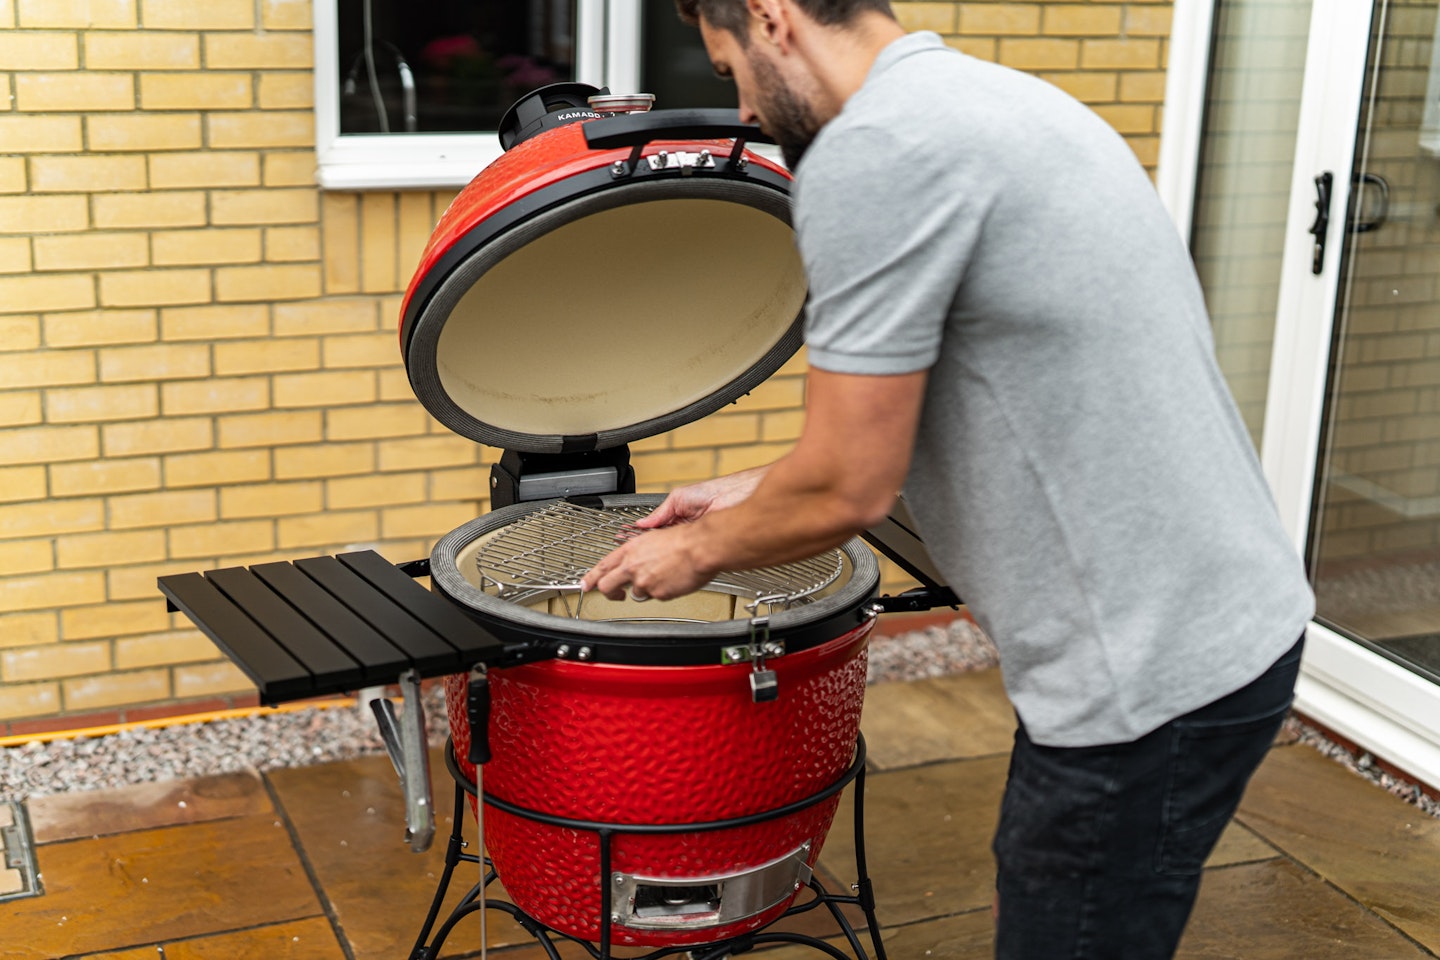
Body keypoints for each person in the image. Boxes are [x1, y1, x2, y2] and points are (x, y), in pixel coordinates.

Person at [582, 1, 1316, 956]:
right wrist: (748, 493)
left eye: (729, 72)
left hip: (1143, 671)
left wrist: (696, 552)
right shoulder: (997, 103)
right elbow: (945, 396)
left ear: (771, 19)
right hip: (1226, 618)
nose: (750, 113)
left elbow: (851, 486)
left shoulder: (875, 151)